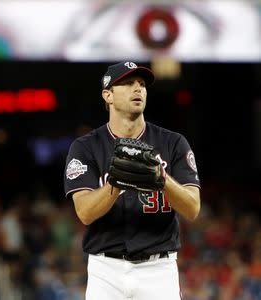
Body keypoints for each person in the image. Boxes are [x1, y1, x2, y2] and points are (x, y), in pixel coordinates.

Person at [63, 61, 201, 299]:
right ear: (108, 95)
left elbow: (193, 208)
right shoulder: (86, 147)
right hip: (105, 270)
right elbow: (84, 212)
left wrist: (162, 178)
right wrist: (115, 184)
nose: (137, 89)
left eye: (141, 84)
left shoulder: (173, 143)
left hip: (158, 270)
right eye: (127, 84)